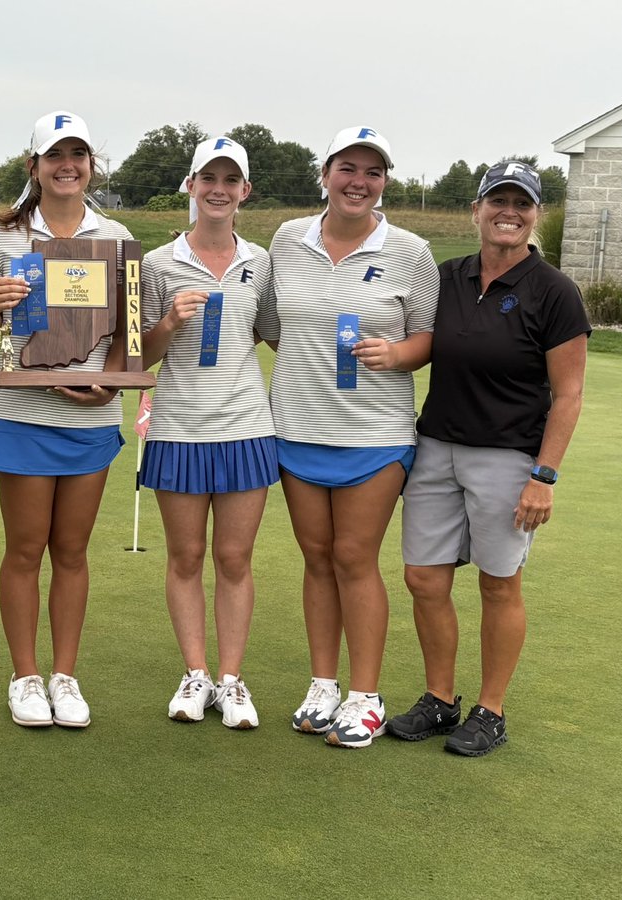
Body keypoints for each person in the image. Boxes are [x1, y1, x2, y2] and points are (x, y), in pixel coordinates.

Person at [387, 161, 590, 756]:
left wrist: (543, 477)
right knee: (424, 577)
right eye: (497, 201)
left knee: (500, 585)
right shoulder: (447, 276)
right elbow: (421, 343)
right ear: (475, 210)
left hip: (508, 458)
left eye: (521, 204)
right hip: (436, 449)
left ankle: (490, 710)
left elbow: (570, 394)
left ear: (535, 215)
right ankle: (440, 700)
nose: (509, 212)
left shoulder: (554, 290)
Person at [265, 126, 438, 748]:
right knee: (316, 559)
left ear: (384, 182)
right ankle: (323, 683)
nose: (358, 182)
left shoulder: (410, 250)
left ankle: (365, 694)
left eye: (372, 171)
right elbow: (270, 321)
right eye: (347, 168)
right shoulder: (287, 239)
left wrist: (396, 356)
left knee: (353, 558)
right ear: (325, 174)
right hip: (296, 424)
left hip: (375, 432)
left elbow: (427, 336)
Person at [0, 110, 133, 729]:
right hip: (22, 413)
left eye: (79, 155)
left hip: (90, 419)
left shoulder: (114, 235)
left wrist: (108, 383)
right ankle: (26, 676)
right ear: (34, 166)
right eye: (55, 156)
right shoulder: (0, 233)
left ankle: (65, 676)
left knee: (72, 550)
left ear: (91, 165)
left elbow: (130, 328)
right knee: (25, 548)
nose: (68, 166)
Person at [139, 137, 278, 729]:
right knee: (187, 555)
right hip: (178, 428)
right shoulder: (157, 263)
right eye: (207, 178)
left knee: (235, 557)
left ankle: (231, 680)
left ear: (244, 191)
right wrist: (170, 320)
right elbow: (140, 353)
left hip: (247, 426)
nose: (218, 189)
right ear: (190, 186)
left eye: (231, 180)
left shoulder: (262, 261)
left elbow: (273, 333)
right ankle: (195, 674)